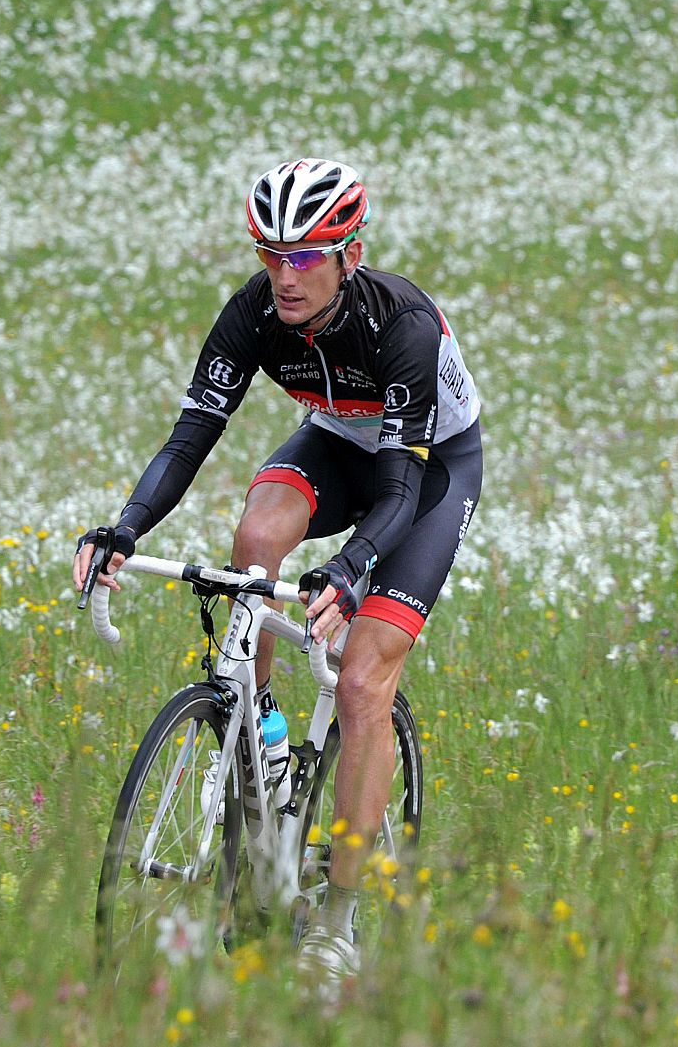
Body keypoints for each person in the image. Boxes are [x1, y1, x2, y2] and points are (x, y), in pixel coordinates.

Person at [72, 157, 482, 984]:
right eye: (270, 255)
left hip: (428, 474)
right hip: (336, 442)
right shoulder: (253, 313)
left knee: (365, 683)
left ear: (349, 256)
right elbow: (191, 436)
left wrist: (354, 564)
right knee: (255, 533)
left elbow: (399, 486)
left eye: (304, 258)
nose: (283, 276)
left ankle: (335, 925)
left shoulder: (401, 324)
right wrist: (124, 527)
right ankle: (254, 735)